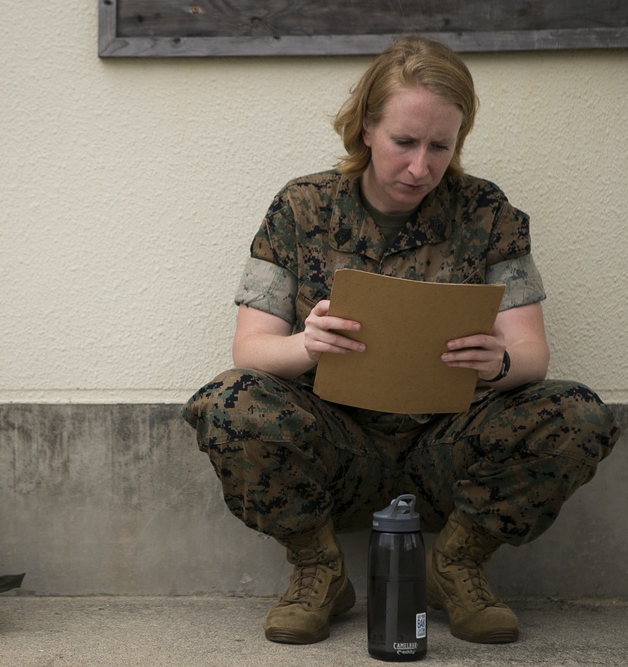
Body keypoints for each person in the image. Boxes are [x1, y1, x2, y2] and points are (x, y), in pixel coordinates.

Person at [183, 35, 620, 646]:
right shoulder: (301, 207)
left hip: (449, 446)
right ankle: (319, 572)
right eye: (405, 142)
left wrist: (498, 363)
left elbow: (532, 357)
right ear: (366, 128)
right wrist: (307, 345)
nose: (421, 167)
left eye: (441, 146)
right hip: (336, 446)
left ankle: (457, 566)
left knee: (578, 414)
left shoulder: (487, 212)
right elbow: (251, 351)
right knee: (228, 401)